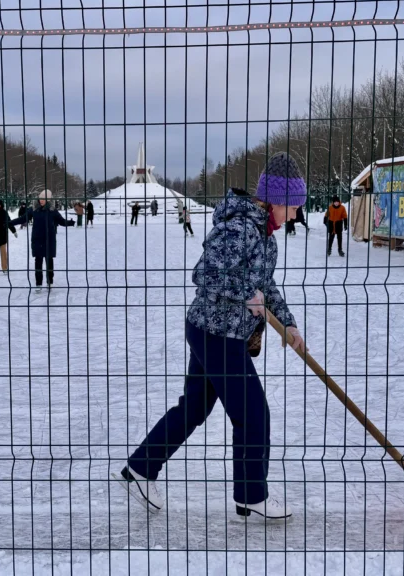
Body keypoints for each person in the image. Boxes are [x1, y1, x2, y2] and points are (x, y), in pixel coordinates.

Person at [117, 153, 307, 522]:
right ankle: (253, 494)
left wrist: (289, 325)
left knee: (194, 409)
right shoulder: (240, 228)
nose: (296, 215)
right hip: (217, 333)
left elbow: (265, 286)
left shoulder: (265, 237)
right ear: (275, 201)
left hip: (217, 331)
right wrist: (245, 294)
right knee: (253, 415)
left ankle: (140, 469)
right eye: (294, 207)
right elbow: (204, 273)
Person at [10, 189, 75, 290]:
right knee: (38, 261)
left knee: (49, 261)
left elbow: (61, 221)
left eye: (44, 199)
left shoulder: (53, 211)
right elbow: (23, 219)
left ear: (48, 200)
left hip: (49, 239)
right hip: (37, 239)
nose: (41, 200)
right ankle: (38, 283)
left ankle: (50, 282)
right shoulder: (33, 209)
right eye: (40, 198)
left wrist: (70, 223)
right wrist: (10, 223)